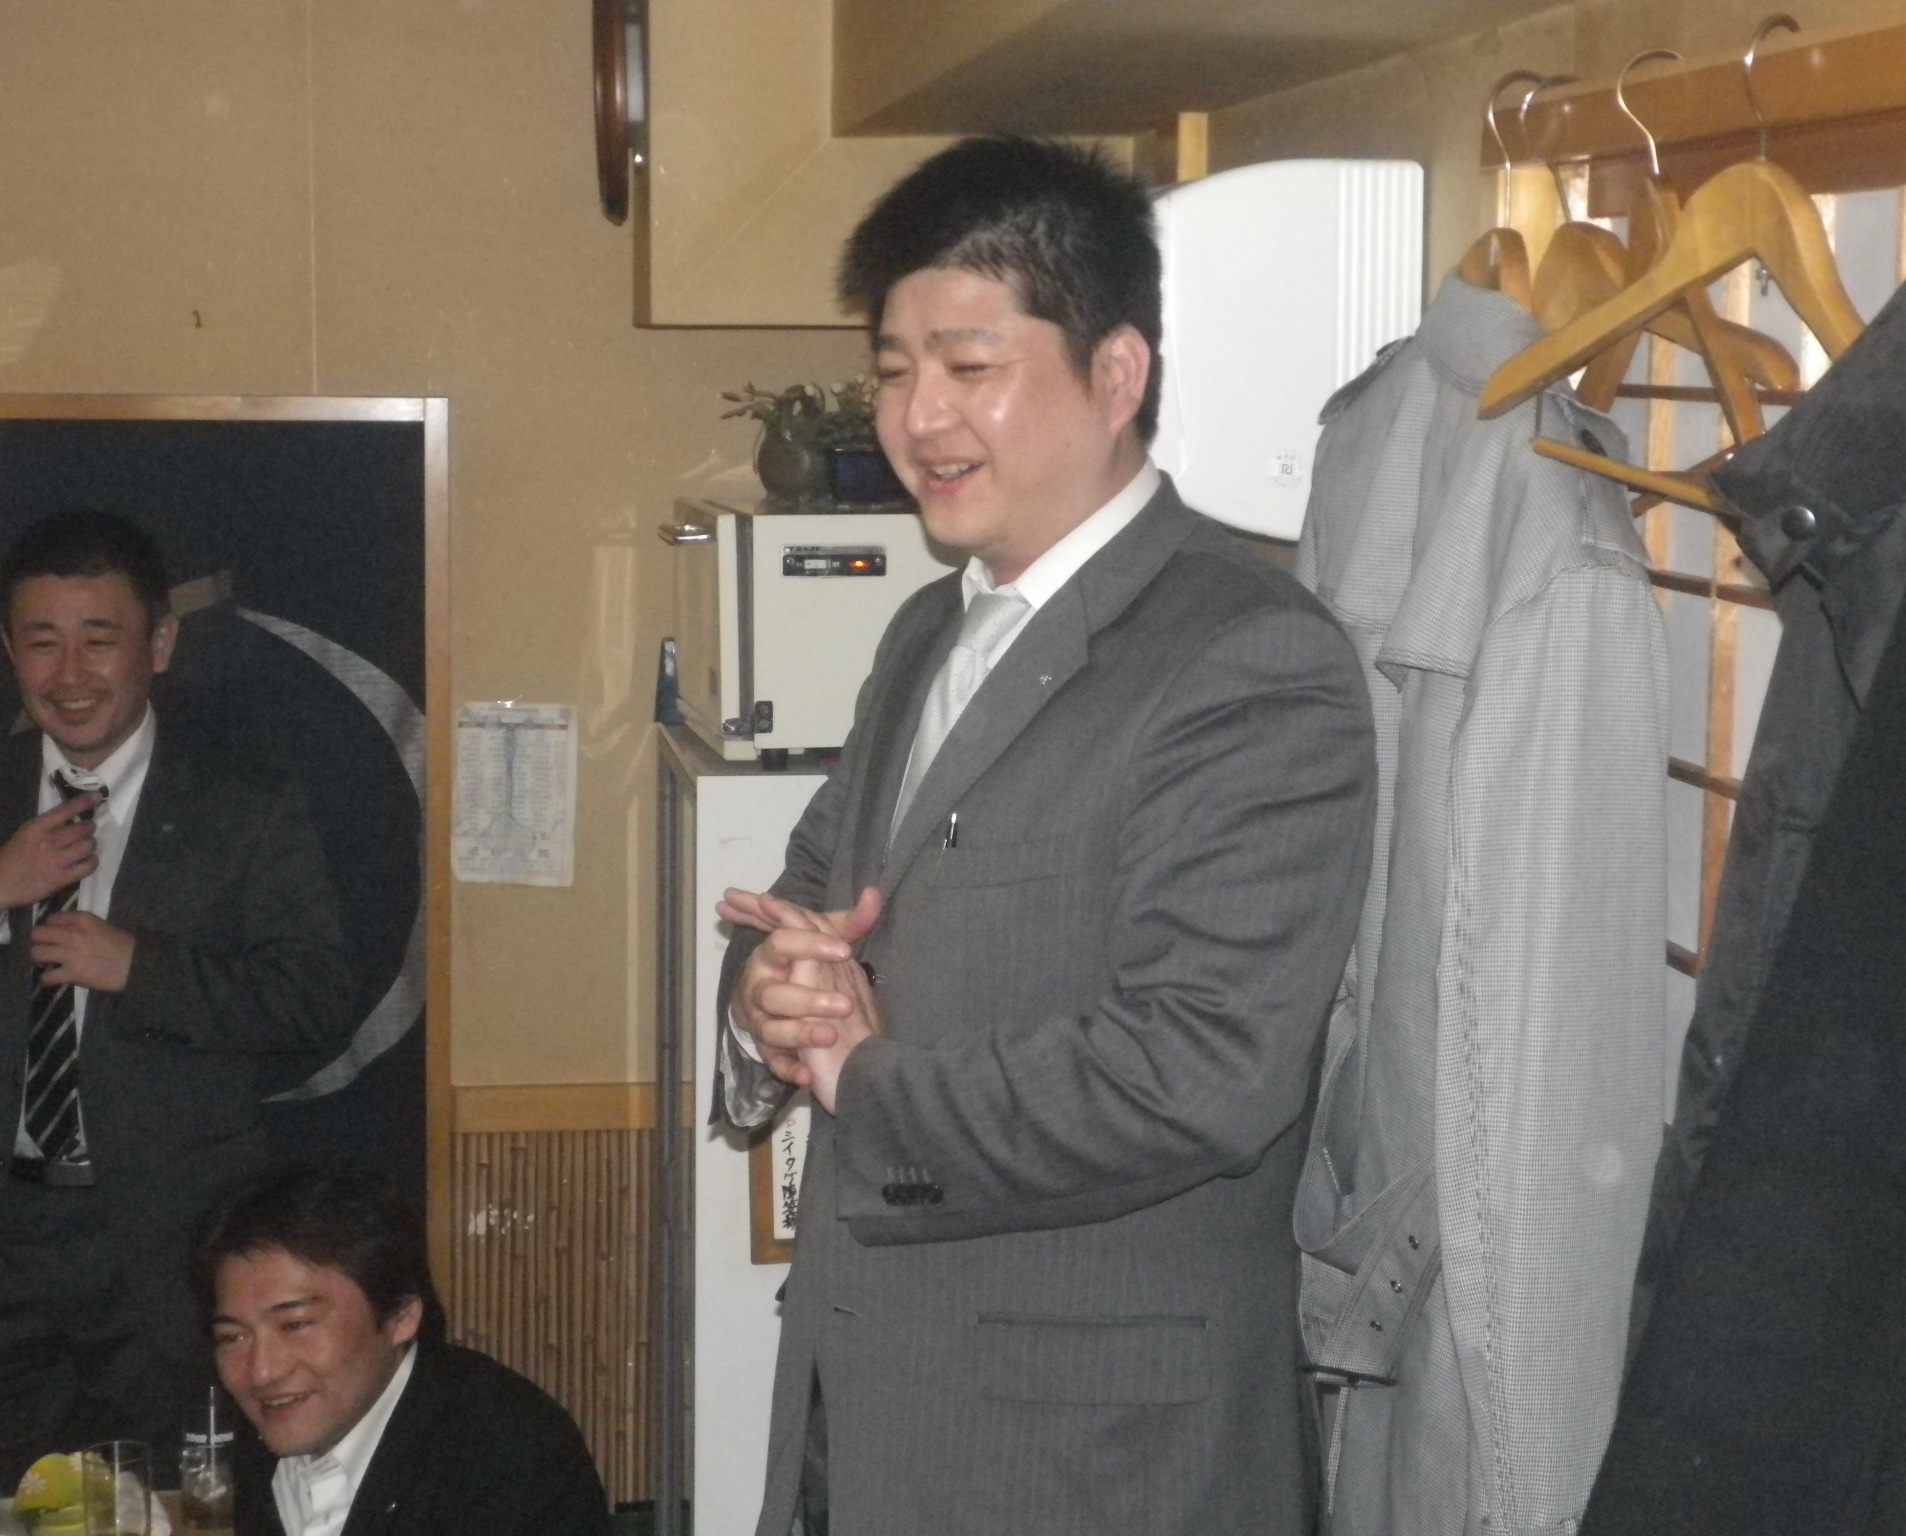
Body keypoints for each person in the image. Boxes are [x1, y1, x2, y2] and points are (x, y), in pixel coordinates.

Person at [714, 136, 1376, 1536]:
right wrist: (767, 992)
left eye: (970, 365)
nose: (918, 417)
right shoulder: (928, 626)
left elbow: (1203, 1069)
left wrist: (864, 1077)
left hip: (1092, 1461)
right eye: (893, 370)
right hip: (863, 1402)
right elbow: (813, 891)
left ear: (1117, 374)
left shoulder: (1243, 655)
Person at [0, 509, 357, 1481]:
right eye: (42, 641)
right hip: (10, 1241)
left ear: (158, 644)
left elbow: (314, 998)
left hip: (169, 1239)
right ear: (10, 651)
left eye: (100, 638)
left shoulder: (244, 799)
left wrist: (141, 970)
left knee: (178, 1503)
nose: (70, 673)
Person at [195, 1162, 611, 1536]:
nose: (262, 1371)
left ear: (400, 1316)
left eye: (296, 1325)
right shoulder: (266, 1440)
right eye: (233, 1337)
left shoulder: (505, 1455)